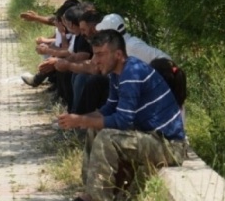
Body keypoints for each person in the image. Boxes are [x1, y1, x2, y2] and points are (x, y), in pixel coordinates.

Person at [57, 29, 186, 201]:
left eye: (100, 55)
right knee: (93, 130)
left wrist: (81, 119)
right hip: (149, 138)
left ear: (118, 54)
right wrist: (80, 120)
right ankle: (91, 192)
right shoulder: (118, 75)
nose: (95, 61)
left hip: (169, 146)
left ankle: (96, 198)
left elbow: (123, 121)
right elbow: (109, 108)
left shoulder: (132, 73)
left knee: (107, 138)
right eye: (94, 55)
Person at [20, 0, 79, 87]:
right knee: (50, 48)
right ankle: (51, 81)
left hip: (73, 61)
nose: (60, 21)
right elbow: (52, 21)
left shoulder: (75, 30)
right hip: (67, 56)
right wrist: (36, 18)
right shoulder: (64, 24)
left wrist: (51, 52)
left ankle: (38, 79)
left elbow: (67, 51)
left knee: (56, 59)